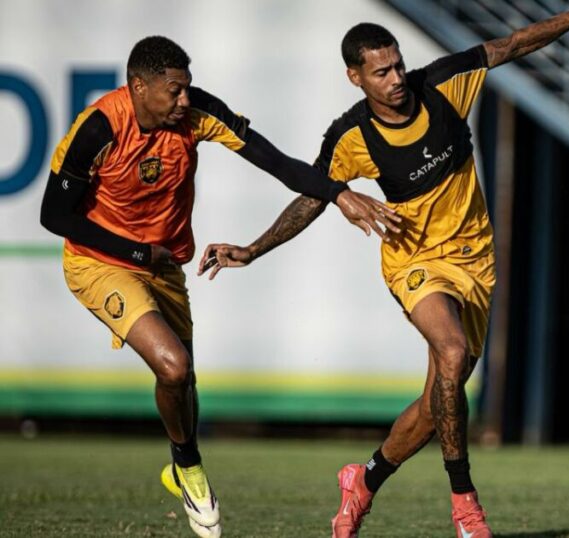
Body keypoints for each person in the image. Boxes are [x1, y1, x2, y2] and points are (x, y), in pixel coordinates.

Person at [198, 1, 569, 536]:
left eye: (399, 65)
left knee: (437, 406)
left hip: (474, 261)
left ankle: (363, 480)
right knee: (452, 353)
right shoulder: (352, 136)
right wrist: (252, 248)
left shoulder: (446, 84)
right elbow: (311, 197)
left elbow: (517, 42)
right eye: (381, 72)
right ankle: (465, 504)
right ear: (355, 77)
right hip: (413, 261)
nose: (396, 79)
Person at [39, 36, 400, 538]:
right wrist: (139, 253)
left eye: (187, 88)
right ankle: (189, 466)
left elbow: (276, 163)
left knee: (182, 384)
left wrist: (338, 193)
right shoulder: (98, 128)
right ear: (138, 87)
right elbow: (53, 214)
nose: (184, 100)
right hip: (101, 263)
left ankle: (181, 460)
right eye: (174, 91)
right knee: (174, 364)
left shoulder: (198, 112)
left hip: (165, 266)